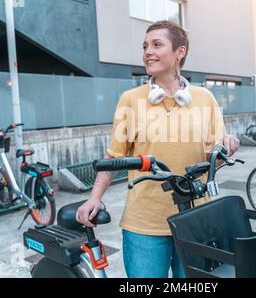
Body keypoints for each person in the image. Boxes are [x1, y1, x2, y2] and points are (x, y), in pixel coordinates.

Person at [76, 20, 240, 278]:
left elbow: (212, 159)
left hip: (196, 219)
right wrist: (95, 197)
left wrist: (226, 149)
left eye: (157, 44)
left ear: (179, 52)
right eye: (144, 46)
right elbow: (114, 156)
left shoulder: (205, 99)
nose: (147, 52)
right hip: (144, 225)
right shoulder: (130, 100)